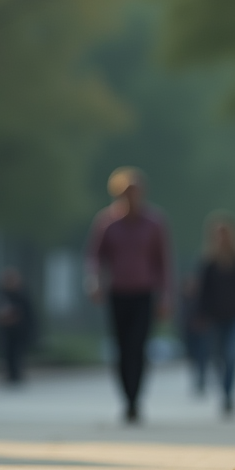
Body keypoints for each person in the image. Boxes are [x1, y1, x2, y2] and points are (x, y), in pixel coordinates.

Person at [85, 167, 173, 423]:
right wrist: (94, 281)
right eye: (126, 192)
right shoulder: (107, 222)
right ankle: (126, 397)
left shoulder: (155, 223)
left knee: (139, 346)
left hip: (144, 293)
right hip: (118, 292)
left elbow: (163, 262)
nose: (131, 197)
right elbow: (94, 256)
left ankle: (136, 398)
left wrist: (166, 295)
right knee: (122, 347)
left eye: (135, 191)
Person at [196, 215, 235, 416]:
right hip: (215, 318)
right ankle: (223, 390)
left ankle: (229, 394)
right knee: (218, 357)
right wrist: (200, 315)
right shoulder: (208, 264)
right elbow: (202, 293)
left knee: (232, 355)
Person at [0, 267, 36, 384]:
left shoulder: (22, 294)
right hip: (7, 330)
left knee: (18, 352)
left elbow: (28, 314)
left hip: (20, 330)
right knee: (8, 352)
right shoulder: (2, 294)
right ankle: (10, 373)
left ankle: (17, 373)